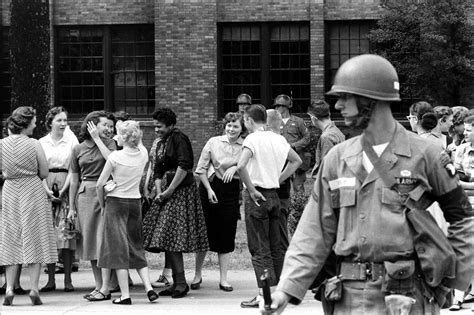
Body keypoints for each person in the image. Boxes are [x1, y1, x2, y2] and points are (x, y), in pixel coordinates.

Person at [264, 54, 474, 315]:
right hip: (347, 299)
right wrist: (286, 288)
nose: (338, 105)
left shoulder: (425, 155)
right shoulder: (337, 158)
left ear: (371, 99)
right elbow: (313, 231)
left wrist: (449, 284)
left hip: (406, 297)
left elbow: (464, 219)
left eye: (345, 97)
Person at [237, 104, 302, 308]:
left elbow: (240, 166)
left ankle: (263, 295)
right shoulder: (279, 138)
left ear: (248, 120)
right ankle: (276, 293)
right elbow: (296, 161)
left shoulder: (252, 139)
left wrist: (251, 189)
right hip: (274, 194)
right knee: (276, 245)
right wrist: (277, 178)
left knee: (259, 247)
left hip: (257, 195)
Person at [142, 107, 209, 299]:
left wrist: (170, 190)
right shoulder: (162, 142)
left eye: (160, 126)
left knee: (171, 236)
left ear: (171, 125)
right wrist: (160, 190)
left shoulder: (180, 138)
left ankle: (181, 283)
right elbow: (157, 170)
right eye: (155, 126)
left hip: (180, 192)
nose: (156, 130)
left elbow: (185, 165)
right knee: (166, 237)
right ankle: (177, 282)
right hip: (165, 192)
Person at [95, 120, 158, 305]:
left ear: (122, 137)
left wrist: (102, 204)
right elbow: (139, 142)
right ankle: (149, 288)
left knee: (118, 250)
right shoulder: (143, 154)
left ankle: (125, 295)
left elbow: (100, 184)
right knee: (136, 245)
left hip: (116, 202)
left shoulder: (115, 157)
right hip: (134, 202)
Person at [0, 106, 58, 306]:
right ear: (26, 124)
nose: (35, 124)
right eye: (33, 121)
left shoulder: (1, 144)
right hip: (32, 190)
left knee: (11, 237)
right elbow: (43, 172)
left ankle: (9, 288)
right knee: (35, 236)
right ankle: (34, 288)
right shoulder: (34, 144)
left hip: (10, 192)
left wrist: (8, 175)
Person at [193, 112, 245, 292]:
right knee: (204, 233)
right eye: (229, 125)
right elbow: (200, 169)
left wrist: (236, 167)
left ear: (242, 128)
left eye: (236, 126)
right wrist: (208, 189)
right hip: (210, 187)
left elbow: (249, 165)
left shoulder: (246, 145)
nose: (231, 129)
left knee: (226, 233)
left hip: (231, 190)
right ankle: (197, 275)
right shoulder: (213, 142)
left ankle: (224, 279)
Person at [68, 111, 116, 301]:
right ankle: (98, 286)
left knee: (103, 240)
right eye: (105, 125)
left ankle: (106, 287)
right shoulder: (78, 149)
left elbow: (113, 161)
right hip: (86, 195)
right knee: (90, 242)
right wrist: (71, 207)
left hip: (105, 192)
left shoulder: (111, 144)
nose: (109, 129)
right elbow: (73, 179)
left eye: (111, 126)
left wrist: (98, 139)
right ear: (92, 125)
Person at [39, 106, 79, 293]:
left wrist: (63, 190)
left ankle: (69, 279)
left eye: (65, 120)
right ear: (50, 123)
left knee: (66, 235)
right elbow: (38, 170)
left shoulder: (71, 142)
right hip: (45, 184)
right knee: (49, 235)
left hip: (66, 183)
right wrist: (47, 190)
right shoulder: (41, 143)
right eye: (59, 120)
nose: (63, 124)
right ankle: (50, 279)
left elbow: (74, 169)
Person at [142, 133, 173, 289]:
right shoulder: (156, 142)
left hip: (164, 187)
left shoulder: (172, 142)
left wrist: (158, 188)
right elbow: (152, 166)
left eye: (159, 125)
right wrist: (146, 186)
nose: (156, 129)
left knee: (166, 230)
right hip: (151, 187)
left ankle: (168, 273)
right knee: (149, 232)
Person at [273, 94, 311, 193]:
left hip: (296, 158)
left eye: (279, 106)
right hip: (280, 160)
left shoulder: (298, 121)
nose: (277, 108)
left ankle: (300, 207)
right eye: (276, 106)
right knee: (282, 188)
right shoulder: (274, 122)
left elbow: (307, 138)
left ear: (286, 107)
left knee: (298, 186)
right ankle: (285, 208)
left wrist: (294, 146)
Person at [307, 100, 345, 177]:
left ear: (313, 117)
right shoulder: (336, 131)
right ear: (329, 114)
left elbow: (327, 167)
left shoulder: (327, 137)